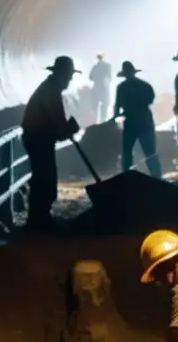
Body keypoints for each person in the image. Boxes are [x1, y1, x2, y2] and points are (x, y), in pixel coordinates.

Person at [20, 56, 81, 231]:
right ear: (61, 74)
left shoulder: (50, 90)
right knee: (44, 178)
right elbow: (59, 126)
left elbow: (57, 126)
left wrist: (66, 129)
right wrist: (70, 128)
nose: (70, 80)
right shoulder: (50, 93)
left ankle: (40, 218)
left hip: (39, 138)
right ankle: (39, 221)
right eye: (68, 76)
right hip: (38, 139)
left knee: (44, 177)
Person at [113, 61, 162, 179]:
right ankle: (157, 177)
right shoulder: (145, 85)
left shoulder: (122, 87)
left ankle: (127, 177)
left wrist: (116, 117)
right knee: (149, 151)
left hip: (131, 121)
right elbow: (150, 99)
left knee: (128, 152)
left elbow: (118, 105)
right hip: (143, 120)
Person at [88, 52, 113, 124]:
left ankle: (95, 123)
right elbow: (110, 77)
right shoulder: (108, 66)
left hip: (97, 88)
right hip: (104, 88)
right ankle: (103, 123)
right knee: (104, 107)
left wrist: (97, 78)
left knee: (95, 108)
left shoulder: (95, 66)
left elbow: (90, 77)